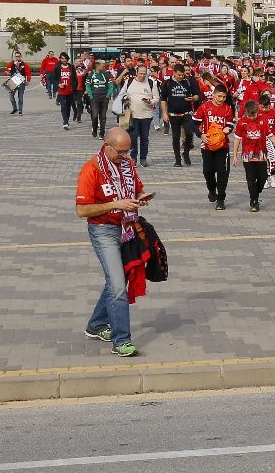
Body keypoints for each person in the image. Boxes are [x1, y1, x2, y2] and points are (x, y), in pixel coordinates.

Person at [75, 127, 153, 357]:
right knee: (118, 284)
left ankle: (96, 325)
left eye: (127, 151)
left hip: (127, 228)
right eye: (120, 152)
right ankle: (121, 340)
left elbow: (136, 190)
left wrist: (139, 199)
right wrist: (115, 204)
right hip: (103, 229)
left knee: (116, 280)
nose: (124, 156)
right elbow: (81, 210)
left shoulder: (127, 165)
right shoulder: (92, 170)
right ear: (106, 145)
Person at [233, 98, 275, 213]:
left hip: (261, 154)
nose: (252, 117)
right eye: (250, 115)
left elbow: (270, 134)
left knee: (263, 177)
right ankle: (254, 200)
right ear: (246, 112)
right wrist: (234, 155)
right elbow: (237, 139)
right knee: (251, 178)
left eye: (254, 115)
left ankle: (255, 193)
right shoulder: (241, 122)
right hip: (247, 155)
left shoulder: (263, 120)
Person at [195, 84, 236, 210]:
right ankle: (212, 190)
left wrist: (228, 128)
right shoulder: (205, 107)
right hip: (207, 145)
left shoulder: (228, 109)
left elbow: (230, 124)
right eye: (219, 96)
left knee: (223, 173)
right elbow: (193, 123)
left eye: (224, 97)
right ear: (213, 95)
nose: (221, 99)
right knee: (208, 171)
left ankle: (221, 198)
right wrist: (201, 135)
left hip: (222, 146)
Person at [119, 66, 160, 167]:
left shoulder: (151, 83)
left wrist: (150, 101)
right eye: (140, 73)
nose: (142, 75)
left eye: (144, 73)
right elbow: (122, 94)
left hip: (146, 115)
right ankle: (133, 157)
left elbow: (157, 98)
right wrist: (125, 99)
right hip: (132, 115)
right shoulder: (129, 81)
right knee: (133, 137)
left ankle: (143, 158)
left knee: (144, 138)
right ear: (136, 72)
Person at [163, 67, 199, 167]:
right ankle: (177, 160)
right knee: (176, 137)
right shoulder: (167, 83)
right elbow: (163, 99)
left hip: (186, 113)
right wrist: (164, 113)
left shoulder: (189, 81)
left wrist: (193, 98)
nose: (181, 77)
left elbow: (197, 95)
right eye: (179, 75)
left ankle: (186, 153)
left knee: (189, 133)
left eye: (182, 75)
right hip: (173, 114)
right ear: (174, 73)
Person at [84, 60, 114, 139]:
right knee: (94, 115)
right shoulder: (91, 75)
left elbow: (110, 85)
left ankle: (102, 133)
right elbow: (88, 85)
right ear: (97, 66)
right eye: (102, 66)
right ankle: (94, 129)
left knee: (103, 116)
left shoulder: (106, 74)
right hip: (94, 97)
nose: (104, 67)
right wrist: (90, 95)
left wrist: (108, 95)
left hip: (104, 97)